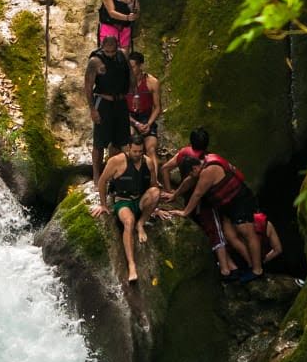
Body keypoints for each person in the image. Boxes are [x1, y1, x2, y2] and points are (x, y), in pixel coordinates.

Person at [168, 129, 265, 282]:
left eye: (192, 173)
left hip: (239, 200)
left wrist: (185, 212)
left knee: (247, 232)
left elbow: (197, 193)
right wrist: (174, 195)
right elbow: (189, 181)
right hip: (227, 205)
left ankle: (257, 269)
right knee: (230, 236)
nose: (192, 176)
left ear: (195, 169)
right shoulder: (199, 163)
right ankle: (248, 264)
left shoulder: (209, 170)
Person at [89, 134, 162, 284]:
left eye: (140, 151)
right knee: (128, 222)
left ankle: (141, 223)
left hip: (140, 200)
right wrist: (103, 205)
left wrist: (155, 208)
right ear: (129, 148)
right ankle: (132, 265)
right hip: (123, 202)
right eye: (135, 151)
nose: (137, 154)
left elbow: (153, 185)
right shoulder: (116, 161)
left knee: (156, 193)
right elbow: (102, 181)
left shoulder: (148, 162)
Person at [85, 32, 131, 187]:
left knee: (120, 140)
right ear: (102, 48)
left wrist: (134, 95)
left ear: (117, 47)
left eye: (113, 51)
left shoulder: (122, 56)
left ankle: (112, 172)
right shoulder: (95, 61)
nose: (110, 55)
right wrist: (93, 109)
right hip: (103, 102)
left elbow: (130, 75)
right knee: (99, 142)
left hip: (120, 102)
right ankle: (96, 175)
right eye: (107, 52)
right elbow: (88, 87)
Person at [124, 51, 163, 187]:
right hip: (130, 118)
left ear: (140, 66)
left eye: (133, 66)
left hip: (146, 117)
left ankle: (154, 180)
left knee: (151, 148)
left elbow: (158, 108)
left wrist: (148, 123)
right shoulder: (123, 82)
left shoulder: (152, 82)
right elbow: (121, 109)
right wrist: (135, 123)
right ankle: (129, 177)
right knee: (128, 142)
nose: (130, 70)